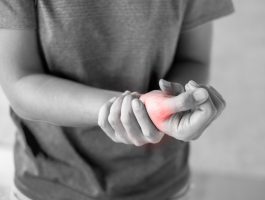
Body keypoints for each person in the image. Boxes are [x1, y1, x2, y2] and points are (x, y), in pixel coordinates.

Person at [0, 0, 234, 199]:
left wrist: (178, 104)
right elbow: (19, 82)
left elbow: (193, 60)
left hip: (161, 181)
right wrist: (129, 109)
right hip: (48, 182)